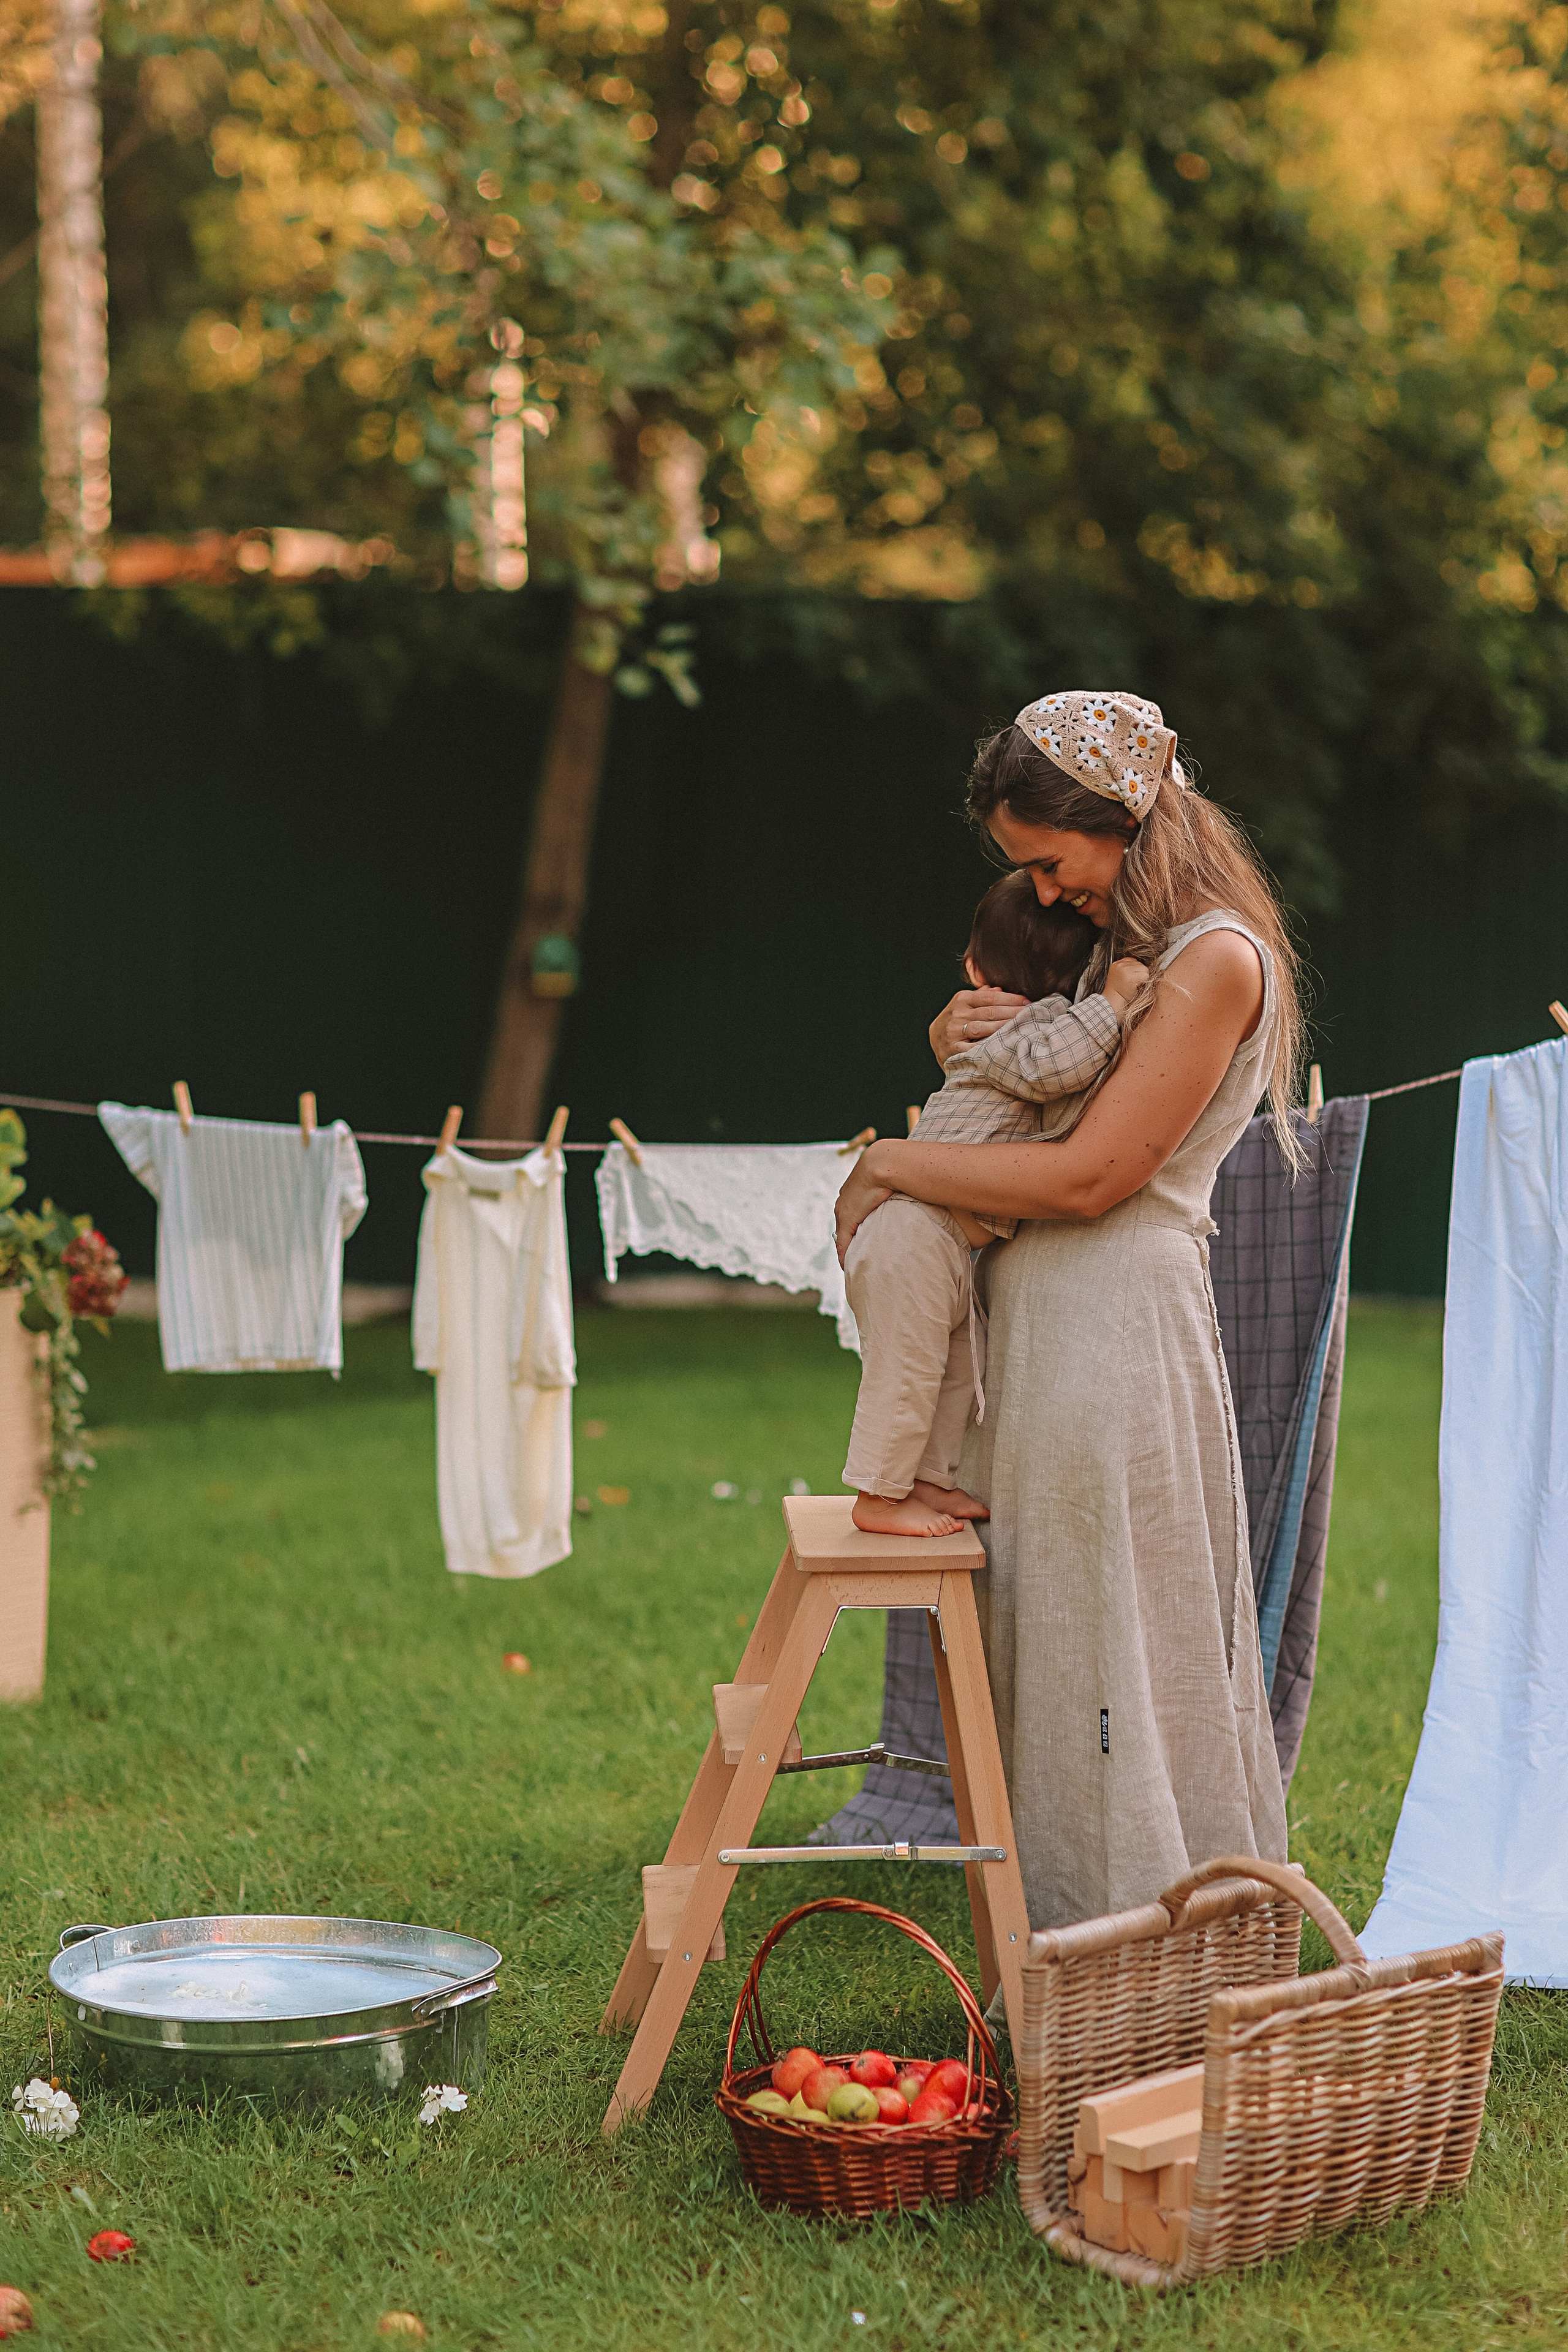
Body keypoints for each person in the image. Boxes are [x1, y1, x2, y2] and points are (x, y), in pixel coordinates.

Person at [834, 689, 1297, 1932]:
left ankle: (1149, 1946)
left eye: (1047, 860)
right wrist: (964, 1042)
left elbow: (1092, 1178)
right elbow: (1028, 1113)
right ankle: (1058, 1960)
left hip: (1111, 1335)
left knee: (1110, 1657)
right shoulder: (1110, 963)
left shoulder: (1208, 961)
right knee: (1046, 1668)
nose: (1039, 892)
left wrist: (890, 1163)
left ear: (1122, 816)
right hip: (1036, 1342)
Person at [843, 870, 1148, 1538]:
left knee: (954, 1369)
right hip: (912, 1233)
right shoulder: (1017, 1030)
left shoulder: (1001, 1025)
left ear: (974, 966)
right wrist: (1115, 1003)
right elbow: (1056, 1064)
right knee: (908, 1370)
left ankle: (926, 1480)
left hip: (936, 1238)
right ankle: (877, 1495)